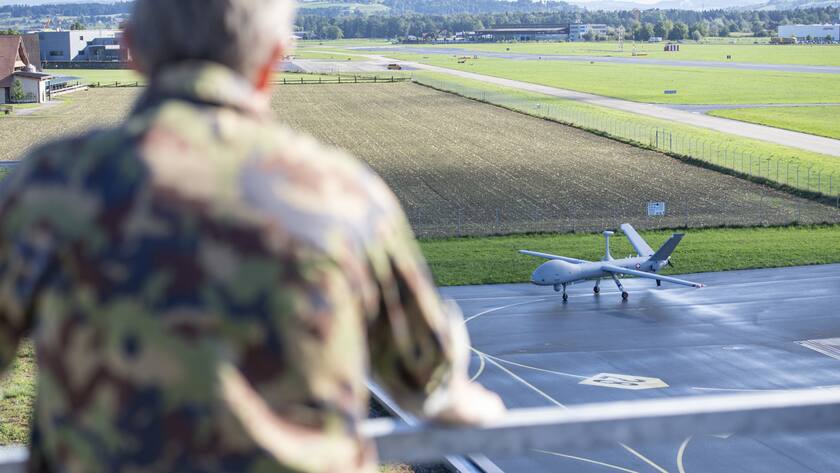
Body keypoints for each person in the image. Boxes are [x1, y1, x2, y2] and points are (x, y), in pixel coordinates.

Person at [0, 0, 504, 472]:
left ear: (131, 49)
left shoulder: (50, 185)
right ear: (274, 59)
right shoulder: (342, 194)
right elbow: (432, 387)